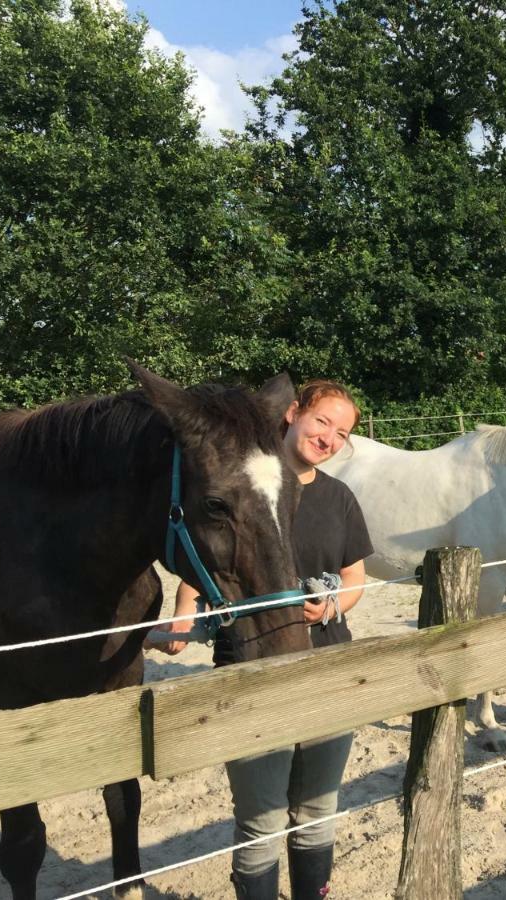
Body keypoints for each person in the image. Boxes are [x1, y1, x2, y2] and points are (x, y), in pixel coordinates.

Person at [156, 379, 372, 899]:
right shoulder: (242, 483)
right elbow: (205, 565)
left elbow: (355, 578)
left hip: (326, 667)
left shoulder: (339, 498)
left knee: (318, 810)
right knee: (262, 821)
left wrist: (331, 605)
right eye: (322, 421)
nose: (328, 437)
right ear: (293, 413)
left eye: (341, 433)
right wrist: (183, 622)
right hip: (251, 667)